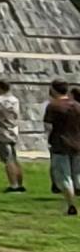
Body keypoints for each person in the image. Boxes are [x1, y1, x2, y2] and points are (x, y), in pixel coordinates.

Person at [45, 83, 80, 216]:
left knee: (64, 177)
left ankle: (71, 205)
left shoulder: (53, 106)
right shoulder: (77, 105)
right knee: (77, 176)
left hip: (60, 144)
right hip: (77, 144)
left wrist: (49, 141)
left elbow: (48, 127)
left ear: (54, 90)